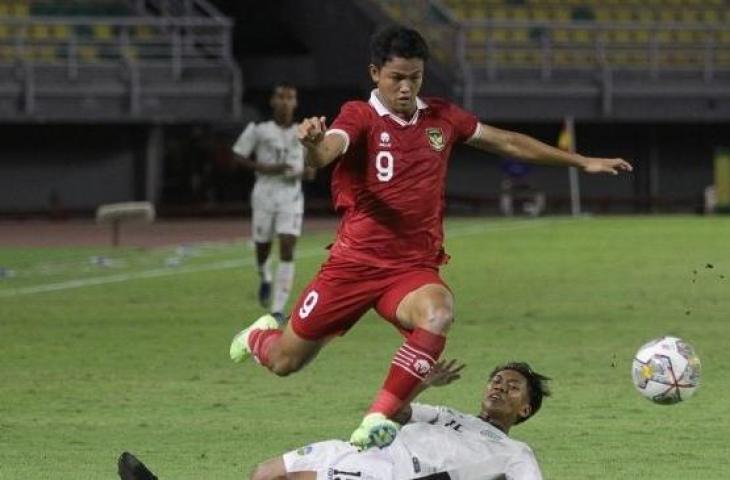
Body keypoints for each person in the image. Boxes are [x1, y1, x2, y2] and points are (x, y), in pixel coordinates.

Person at [229, 26, 632, 449]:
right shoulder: (359, 115)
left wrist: (581, 162)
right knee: (284, 362)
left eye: (415, 78)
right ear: (374, 73)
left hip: (410, 269)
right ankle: (259, 335)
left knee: (438, 312)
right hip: (353, 265)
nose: (405, 88)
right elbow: (329, 150)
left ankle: (376, 417)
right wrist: (311, 147)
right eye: (396, 78)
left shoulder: (442, 118)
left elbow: (507, 141)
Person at [117, 360, 551, 480]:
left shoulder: (515, 453)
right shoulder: (449, 416)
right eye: (496, 380)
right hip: (361, 451)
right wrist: (422, 383)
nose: (499, 387)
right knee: (264, 474)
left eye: (513, 388)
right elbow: (395, 412)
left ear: (525, 409)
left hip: (390, 474)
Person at [232, 82, 313, 322]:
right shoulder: (259, 129)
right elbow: (238, 155)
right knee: (262, 247)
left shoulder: (304, 131)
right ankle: (264, 274)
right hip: (265, 194)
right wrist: (266, 168)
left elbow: (313, 164)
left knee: (287, 247)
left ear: (295, 103)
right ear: (273, 101)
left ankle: (277, 308)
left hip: (292, 196)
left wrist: (308, 171)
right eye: (281, 97)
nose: (286, 102)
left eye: (291, 97)